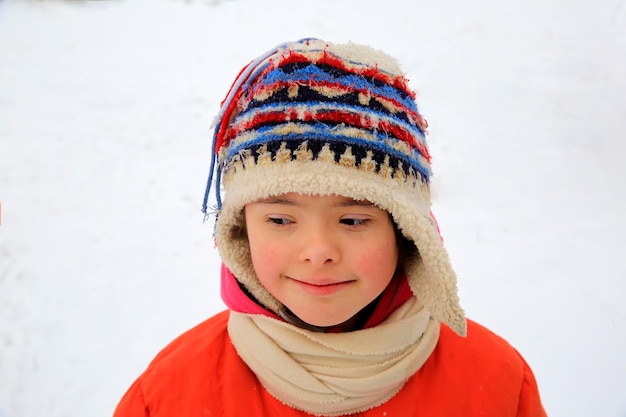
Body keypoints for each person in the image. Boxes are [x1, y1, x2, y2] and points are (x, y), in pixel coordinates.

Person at [113, 38, 546, 416]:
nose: (318, 251)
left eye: (354, 219)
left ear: (406, 231)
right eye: (281, 219)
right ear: (240, 232)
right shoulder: (171, 394)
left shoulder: (497, 384)